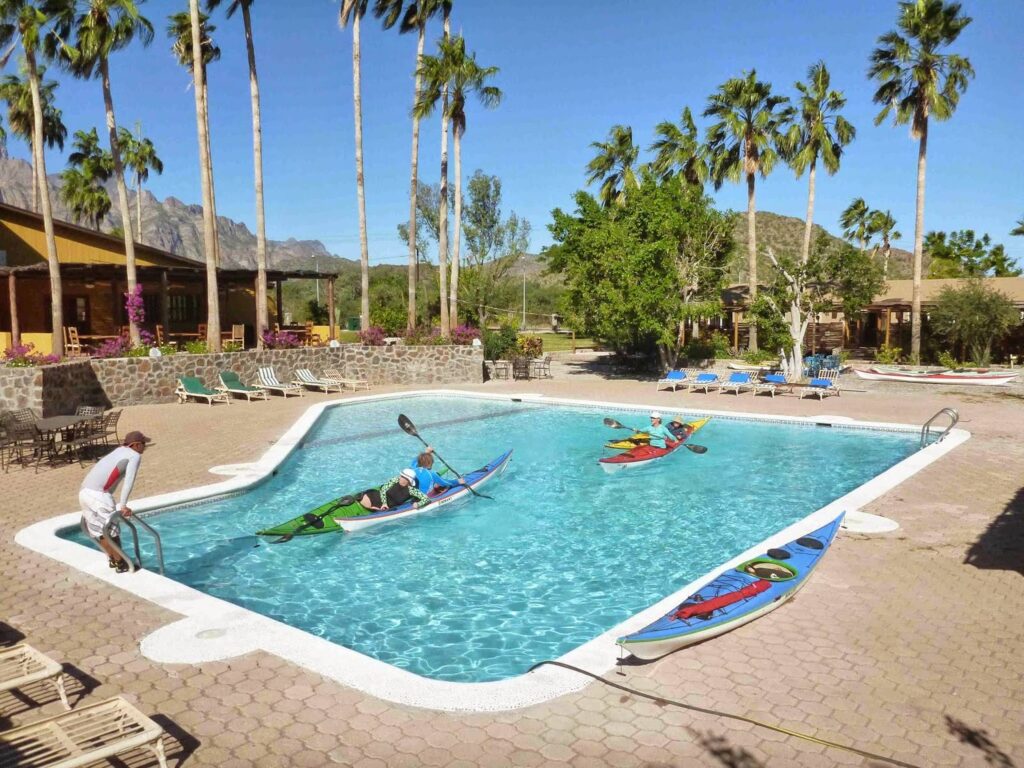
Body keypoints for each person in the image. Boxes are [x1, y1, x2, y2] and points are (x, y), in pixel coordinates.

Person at [79, 430, 153, 573]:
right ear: (136, 445)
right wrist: (123, 505)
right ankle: (123, 564)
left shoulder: (118, 450)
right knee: (112, 531)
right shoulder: (134, 456)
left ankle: (114, 561)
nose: (145, 447)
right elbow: (128, 482)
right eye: (144, 444)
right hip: (98, 495)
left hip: (83, 492)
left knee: (101, 532)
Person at [357, 467, 431, 511]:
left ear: (409, 481)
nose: (401, 479)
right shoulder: (395, 479)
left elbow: (426, 499)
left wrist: (418, 504)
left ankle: (372, 508)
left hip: (390, 505)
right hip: (380, 497)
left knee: (366, 504)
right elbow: (383, 490)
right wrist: (384, 503)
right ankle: (371, 507)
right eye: (401, 476)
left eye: (404, 478)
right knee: (366, 500)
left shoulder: (411, 490)